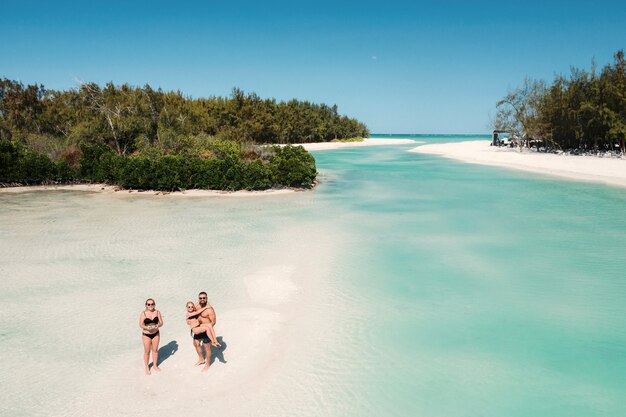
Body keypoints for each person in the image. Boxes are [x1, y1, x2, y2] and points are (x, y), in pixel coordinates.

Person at [192, 291, 218, 372]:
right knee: (196, 343)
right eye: (200, 298)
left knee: (207, 348)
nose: (202, 299)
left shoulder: (209, 310)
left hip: (206, 330)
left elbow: (213, 322)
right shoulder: (196, 305)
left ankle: (207, 364)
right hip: (198, 328)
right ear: (198, 298)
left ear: (206, 298)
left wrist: (207, 328)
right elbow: (191, 312)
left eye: (204, 298)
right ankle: (201, 359)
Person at [139, 298, 164, 375]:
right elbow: (141, 324)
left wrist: (158, 325)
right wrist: (147, 327)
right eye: (149, 304)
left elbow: (161, 323)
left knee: (155, 350)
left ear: (154, 304)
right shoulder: (143, 313)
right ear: (146, 305)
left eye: (152, 304)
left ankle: (155, 365)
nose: (150, 305)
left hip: (156, 333)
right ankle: (147, 367)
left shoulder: (157, 312)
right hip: (146, 335)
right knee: (147, 351)